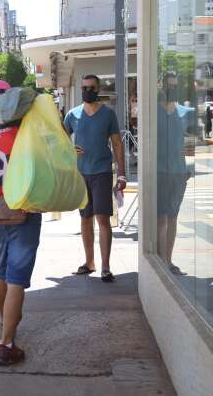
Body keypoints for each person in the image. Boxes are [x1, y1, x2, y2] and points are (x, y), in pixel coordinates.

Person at [0, 80, 42, 366]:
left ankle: (6, 326)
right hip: (22, 209)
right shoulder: (21, 131)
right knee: (16, 278)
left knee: (0, 272)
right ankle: (6, 343)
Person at [64, 75, 126, 282]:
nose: (87, 91)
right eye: (84, 88)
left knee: (102, 219)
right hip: (81, 173)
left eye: (91, 87)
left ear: (98, 89)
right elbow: (60, 141)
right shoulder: (72, 115)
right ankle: (89, 262)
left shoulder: (108, 115)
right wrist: (70, 150)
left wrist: (123, 173)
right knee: (84, 218)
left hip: (102, 171)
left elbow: (117, 143)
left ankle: (106, 267)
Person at [157, 72, 189, 275]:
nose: (172, 89)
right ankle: (159, 260)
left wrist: (189, 168)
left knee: (173, 217)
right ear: (161, 86)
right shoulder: (153, 111)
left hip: (178, 172)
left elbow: (193, 140)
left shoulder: (185, 112)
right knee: (160, 219)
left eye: (175, 85)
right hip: (158, 171)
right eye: (169, 85)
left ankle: (169, 259)